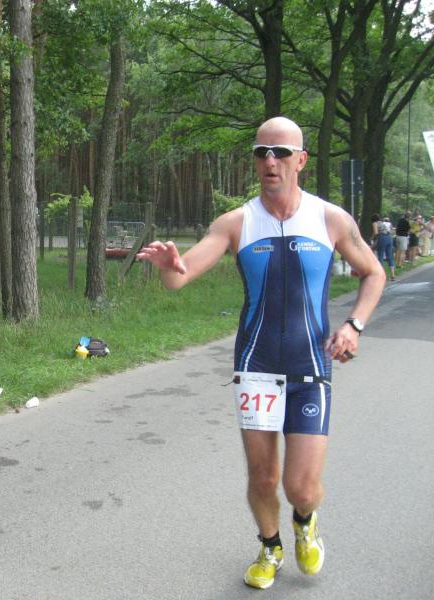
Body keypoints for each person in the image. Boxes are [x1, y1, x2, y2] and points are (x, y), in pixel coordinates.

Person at [137, 116, 385, 590]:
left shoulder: (330, 219)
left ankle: (305, 520)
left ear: (301, 160)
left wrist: (354, 325)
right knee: (263, 476)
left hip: (310, 365)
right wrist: (169, 265)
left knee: (301, 487)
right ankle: (270, 546)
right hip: (256, 368)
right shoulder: (236, 222)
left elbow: (374, 273)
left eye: (281, 152)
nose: (270, 161)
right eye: (261, 152)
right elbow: (179, 277)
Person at [375, 216, 396, 280]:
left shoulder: (377, 223)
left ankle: (382, 275)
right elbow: (393, 232)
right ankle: (392, 275)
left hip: (382, 238)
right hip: (389, 238)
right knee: (390, 257)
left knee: (380, 256)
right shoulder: (389, 224)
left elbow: (376, 233)